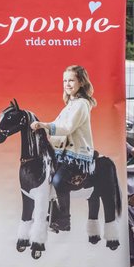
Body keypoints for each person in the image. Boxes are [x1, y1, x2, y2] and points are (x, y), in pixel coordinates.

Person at [30, 64, 96, 233]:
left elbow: (66, 128)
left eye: (71, 80)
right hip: (63, 152)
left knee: (59, 181)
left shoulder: (81, 104)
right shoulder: (71, 103)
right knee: (47, 178)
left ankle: (65, 221)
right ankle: (51, 218)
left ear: (81, 82)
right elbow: (58, 124)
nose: (67, 84)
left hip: (76, 155)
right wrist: (45, 131)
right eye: (65, 80)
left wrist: (44, 125)